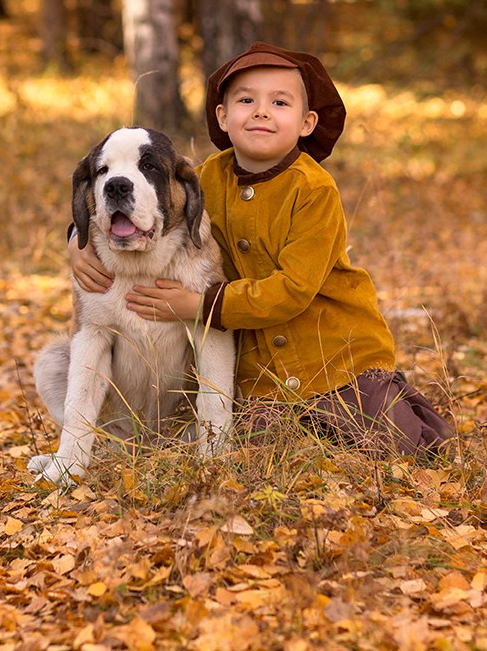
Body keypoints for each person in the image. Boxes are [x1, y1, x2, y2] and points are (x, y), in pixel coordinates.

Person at [70, 41, 454, 458]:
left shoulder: (315, 189)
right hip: (263, 379)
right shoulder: (205, 179)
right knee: (269, 450)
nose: (261, 111)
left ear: (307, 122)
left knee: (396, 443)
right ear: (223, 116)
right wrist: (77, 238)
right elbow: (145, 203)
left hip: (336, 358)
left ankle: (400, 416)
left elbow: (294, 289)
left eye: (279, 102)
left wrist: (202, 305)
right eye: (246, 100)